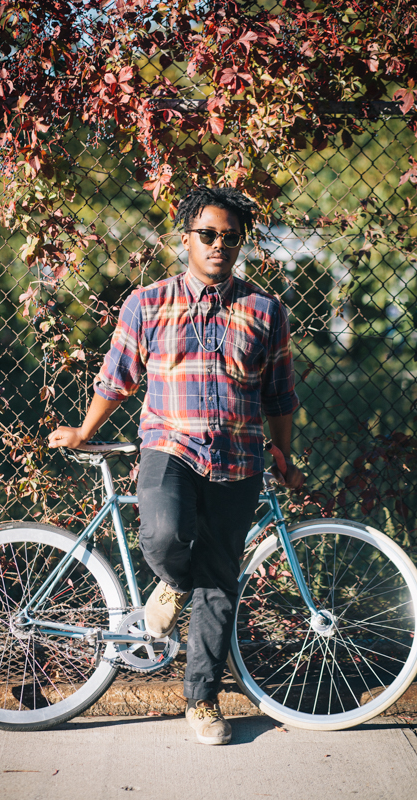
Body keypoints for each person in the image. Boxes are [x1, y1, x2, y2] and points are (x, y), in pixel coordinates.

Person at [48, 186, 304, 745]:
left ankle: (203, 699)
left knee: (220, 579)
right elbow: (118, 376)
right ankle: (171, 583)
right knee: (164, 536)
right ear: (185, 237)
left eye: (231, 238)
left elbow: (279, 395)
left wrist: (283, 453)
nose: (220, 245)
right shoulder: (147, 303)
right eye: (208, 234)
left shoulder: (265, 311)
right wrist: (86, 429)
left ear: (241, 245)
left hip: (240, 457)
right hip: (170, 447)